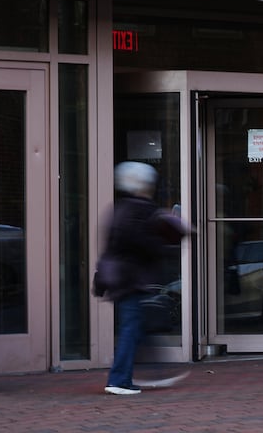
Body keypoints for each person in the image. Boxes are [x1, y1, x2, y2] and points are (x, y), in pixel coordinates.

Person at [96, 161, 189, 395]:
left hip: (124, 277)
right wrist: (164, 242)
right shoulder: (138, 209)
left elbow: (114, 244)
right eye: (149, 184)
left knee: (138, 326)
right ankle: (119, 379)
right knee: (132, 326)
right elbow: (137, 242)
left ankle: (144, 373)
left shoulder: (123, 207)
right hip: (131, 278)